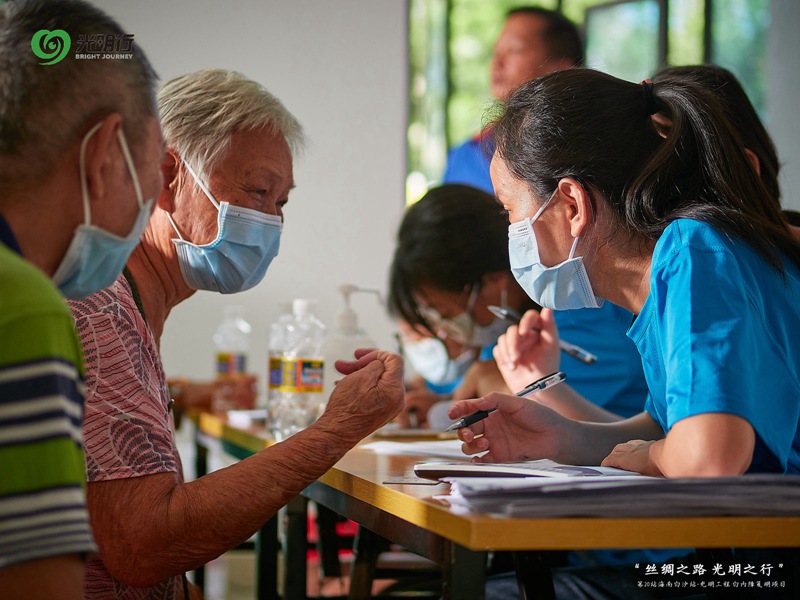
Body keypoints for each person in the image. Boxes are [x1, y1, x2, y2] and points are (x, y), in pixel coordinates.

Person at [449, 68, 800, 598]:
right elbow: (670, 430)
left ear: (571, 204)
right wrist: (564, 438)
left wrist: (652, 457)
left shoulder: (693, 249)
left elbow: (706, 458)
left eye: (510, 211)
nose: (511, 233)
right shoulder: (672, 279)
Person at [68, 69, 404, 599]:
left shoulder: (131, 306)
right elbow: (142, 547)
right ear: (165, 174)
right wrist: (337, 428)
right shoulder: (99, 311)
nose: (270, 221)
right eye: (257, 190)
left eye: (282, 203)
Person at [0, 0, 163, 598]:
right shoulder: (26, 306)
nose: (149, 203)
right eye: (152, 174)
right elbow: (36, 584)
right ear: (103, 156)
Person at [389, 183, 648, 428]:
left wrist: (506, 389)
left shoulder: (576, 312)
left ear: (492, 282)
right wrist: (439, 405)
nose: (445, 329)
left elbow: (588, 429)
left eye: (446, 313)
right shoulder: (504, 329)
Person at [443, 7, 583, 192]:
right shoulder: (465, 157)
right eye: (495, 51)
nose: (497, 62)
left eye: (514, 50)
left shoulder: (585, 154)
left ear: (560, 68)